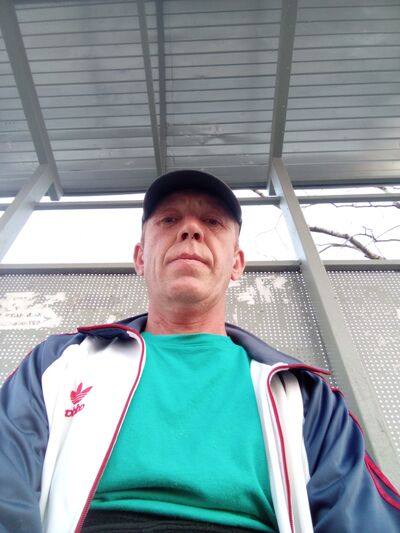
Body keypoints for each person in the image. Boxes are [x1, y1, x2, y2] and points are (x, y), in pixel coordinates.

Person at [0, 169, 399, 533]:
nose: (190, 229)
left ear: (236, 264)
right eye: (168, 220)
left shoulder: (305, 396)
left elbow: (358, 518)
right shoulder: (58, 364)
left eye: (212, 222)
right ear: (140, 258)